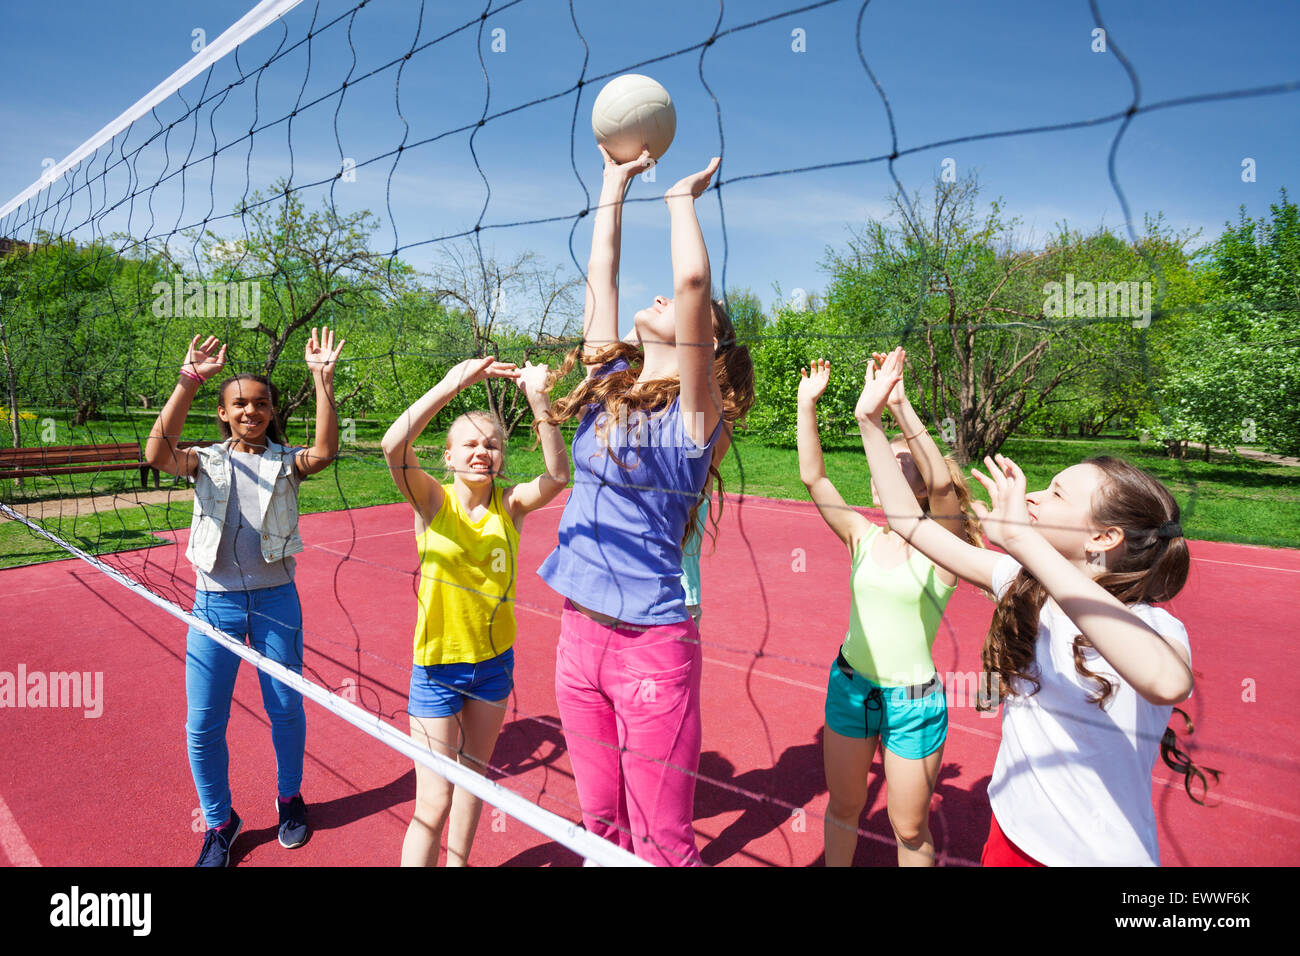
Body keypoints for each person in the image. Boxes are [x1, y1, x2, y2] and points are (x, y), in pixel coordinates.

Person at [858, 347, 1199, 866]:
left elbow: (1168, 682)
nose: (1034, 495)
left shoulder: (1152, 624)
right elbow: (908, 521)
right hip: (1009, 833)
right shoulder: (1023, 583)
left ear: (1104, 537)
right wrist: (877, 418)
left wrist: (1024, 543)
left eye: (1056, 493)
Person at [537, 144, 754, 866]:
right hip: (578, 638)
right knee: (600, 824)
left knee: (664, 844)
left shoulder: (696, 421)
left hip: (649, 649)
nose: (658, 296)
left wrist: (680, 201)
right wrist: (611, 180)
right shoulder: (611, 379)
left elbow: (691, 280)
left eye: (682, 309)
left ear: (706, 345)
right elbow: (600, 272)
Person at [145, 328, 344, 867]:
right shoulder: (205, 460)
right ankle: (220, 821)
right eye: (239, 404)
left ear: (271, 409)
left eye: (260, 403)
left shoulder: (285, 461)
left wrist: (322, 379)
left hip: (277, 600)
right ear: (223, 413)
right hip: (215, 606)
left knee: (285, 707)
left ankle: (289, 798)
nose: (250, 411)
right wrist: (188, 380)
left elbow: (325, 450)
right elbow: (157, 453)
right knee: (203, 723)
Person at [382, 356, 568, 866]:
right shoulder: (432, 502)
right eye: (469, 443)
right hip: (437, 667)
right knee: (434, 799)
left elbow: (557, 474)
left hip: (492, 667)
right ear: (448, 456)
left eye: (491, 444)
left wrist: (539, 399)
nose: (482, 451)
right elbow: (392, 446)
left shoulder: (511, 507)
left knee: (472, 783)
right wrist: (450, 382)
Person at [797, 357, 982, 866]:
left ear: (918, 483)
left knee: (909, 827)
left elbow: (945, 487)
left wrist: (897, 407)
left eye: (903, 465)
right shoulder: (861, 535)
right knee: (844, 807)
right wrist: (806, 403)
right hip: (851, 687)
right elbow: (813, 477)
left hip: (914, 702)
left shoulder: (944, 548)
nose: (886, 473)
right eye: (884, 465)